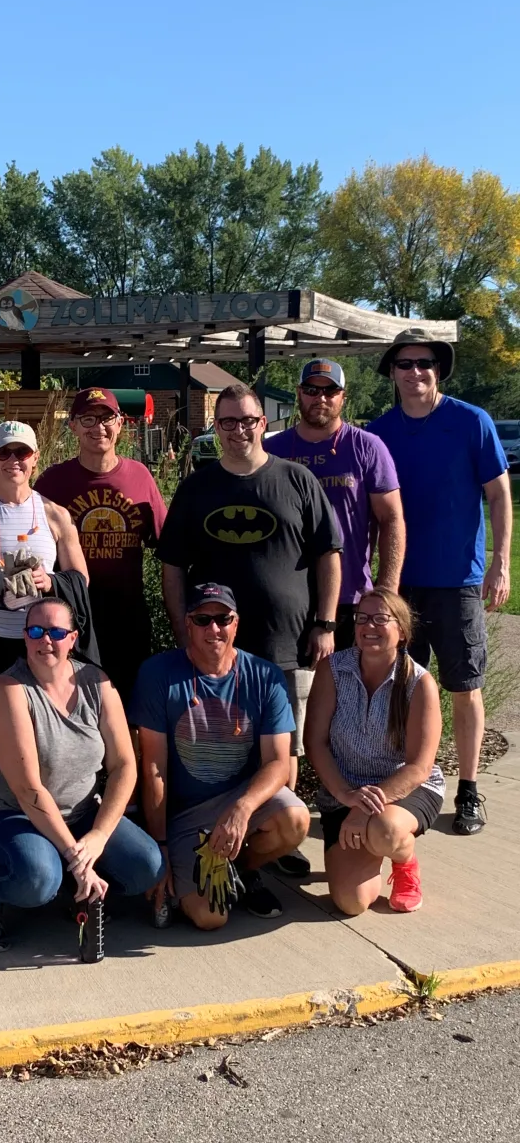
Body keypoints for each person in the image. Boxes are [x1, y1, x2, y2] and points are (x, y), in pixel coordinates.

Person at [157, 382, 341, 874]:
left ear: (264, 423)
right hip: (214, 646)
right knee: (225, 746)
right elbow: (172, 564)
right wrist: (182, 627)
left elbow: (329, 555)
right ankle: (233, 833)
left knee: (286, 747)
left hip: (286, 641)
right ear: (215, 429)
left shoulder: (297, 480)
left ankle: (276, 836)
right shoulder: (199, 487)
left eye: (247, 420)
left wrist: (325, 622)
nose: (238, 430)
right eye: (227, 422)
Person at [367, 328, 512, 836]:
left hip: (457, 581)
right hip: (399, 584)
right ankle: (403, 783)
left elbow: (498, 495)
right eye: (404, 364)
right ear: (392, 373)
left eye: (424, 363)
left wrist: (501, 562)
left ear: (438, 369)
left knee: (464, 685)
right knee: (401, 686)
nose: (414, 372)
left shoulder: (471, 422)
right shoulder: (379, 432)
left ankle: (468, 789)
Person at [0, 598, 164, 952]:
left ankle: (76, 889)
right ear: (24, 638)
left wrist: (99, 836)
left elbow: (125, 766)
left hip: (80, 813)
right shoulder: (8, 691)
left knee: (147, 865)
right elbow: (29, 789)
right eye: (36, 631)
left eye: (56, 631)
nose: (45, 641)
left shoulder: (97, 683)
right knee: (39, 879)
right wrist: (77, 857)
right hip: (7, 813)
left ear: (73, 638)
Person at [133, 583, 310, 927]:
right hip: (185, 816)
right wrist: (161, 847)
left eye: (222, 618)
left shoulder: (265, 676)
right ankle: (204, 869)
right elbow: (154, 768)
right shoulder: (158, 674)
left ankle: (243, 868)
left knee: (295, 819)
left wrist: (242, 808)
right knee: (210, 918)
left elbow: (277, 762)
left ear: (236, 623)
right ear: (188, 624)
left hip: (241, 800)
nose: (213, 628)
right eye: (202, 619)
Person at [304, 588, 444, 916]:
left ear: (402, 631)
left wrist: (365, 810)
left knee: (386, 831)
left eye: (381, 618)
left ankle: (404, 858)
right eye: (362, 618)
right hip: (345, 791)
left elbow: (419, 767)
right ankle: (373, 846)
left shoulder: (419, 683)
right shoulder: (333, 670)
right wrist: (346, 795)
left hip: (405, 791)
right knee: (351, 902)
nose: (369, 626)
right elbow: (316, 744)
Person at [0, 420, 89, 722]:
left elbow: (81, 580)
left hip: (43, 645)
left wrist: (50, 582)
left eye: (21, 453)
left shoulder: (56, 515)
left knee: (44, 734)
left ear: (35, 458)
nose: (13, 461)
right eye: (4, 453)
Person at [35, 387, 167, 704]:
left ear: (121, 423)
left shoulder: (140, 477)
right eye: (89, 419)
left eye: (107, 418)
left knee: (130, 708)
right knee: (73, 707)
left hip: (128, 617)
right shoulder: (53, 482)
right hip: (73, 618)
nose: (99, 427)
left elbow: (167, 544)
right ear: (74, 426)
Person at [269, 359, 405, 648]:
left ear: (344, 396)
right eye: (312, 390)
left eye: (330, 392)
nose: (320, 398)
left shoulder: (366, 447)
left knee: (348, 688)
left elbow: (391, 519)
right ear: (298, 393)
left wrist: (386, 592)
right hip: (285, 596)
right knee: (289, 691)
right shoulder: (272, 450)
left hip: (349, 597)